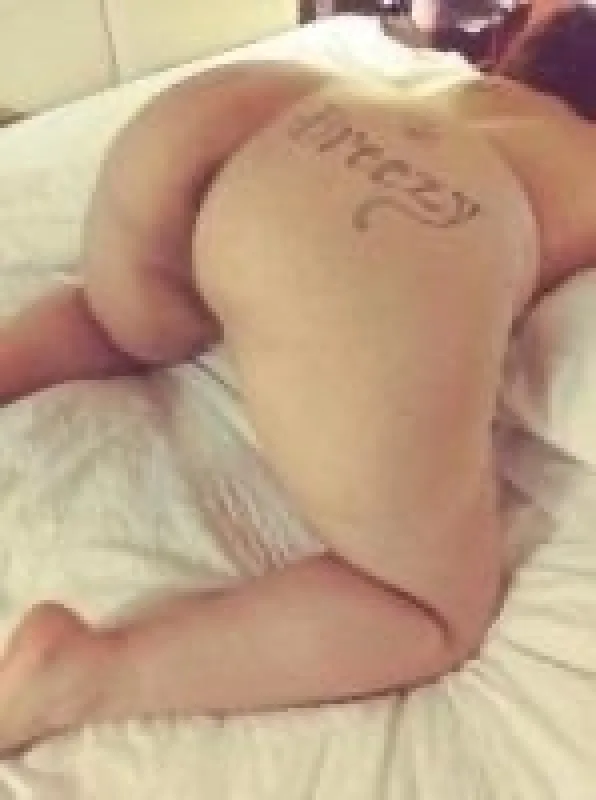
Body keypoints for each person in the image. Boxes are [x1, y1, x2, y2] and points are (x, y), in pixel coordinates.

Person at [0, 0, 594, 755]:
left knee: (114, 321)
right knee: (426, 610)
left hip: (256, 107)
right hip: (400, 211)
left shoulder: (472, 92)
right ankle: (83, 672)